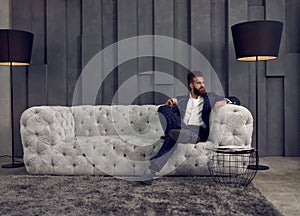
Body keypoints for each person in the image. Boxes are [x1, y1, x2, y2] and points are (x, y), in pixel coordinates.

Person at [140, 71, 230, 185]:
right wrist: (171, 103)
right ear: (191, 85)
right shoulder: (182, 100)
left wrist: (225, 101)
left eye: (203, 82)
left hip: (197, 132)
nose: (202, 85)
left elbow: (235, 99)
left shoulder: (210, 97)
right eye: (198, 83)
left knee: (173, 133)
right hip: (181, 129)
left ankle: (151, 170)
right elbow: (166, 113)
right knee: (162, 109)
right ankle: (178, 130)